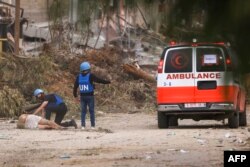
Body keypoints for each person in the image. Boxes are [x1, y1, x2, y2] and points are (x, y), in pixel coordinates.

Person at [73, 61, 111, 130]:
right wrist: (108, 82)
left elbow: (75, 87)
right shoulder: (91, 75)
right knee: (91, 111)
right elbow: (99, 80)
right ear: (88, 69)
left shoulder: (78, 77)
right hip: (90, 97)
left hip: (82, 97)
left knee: (83, 112)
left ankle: (83, 126)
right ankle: (92, 126)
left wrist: (75, 96)